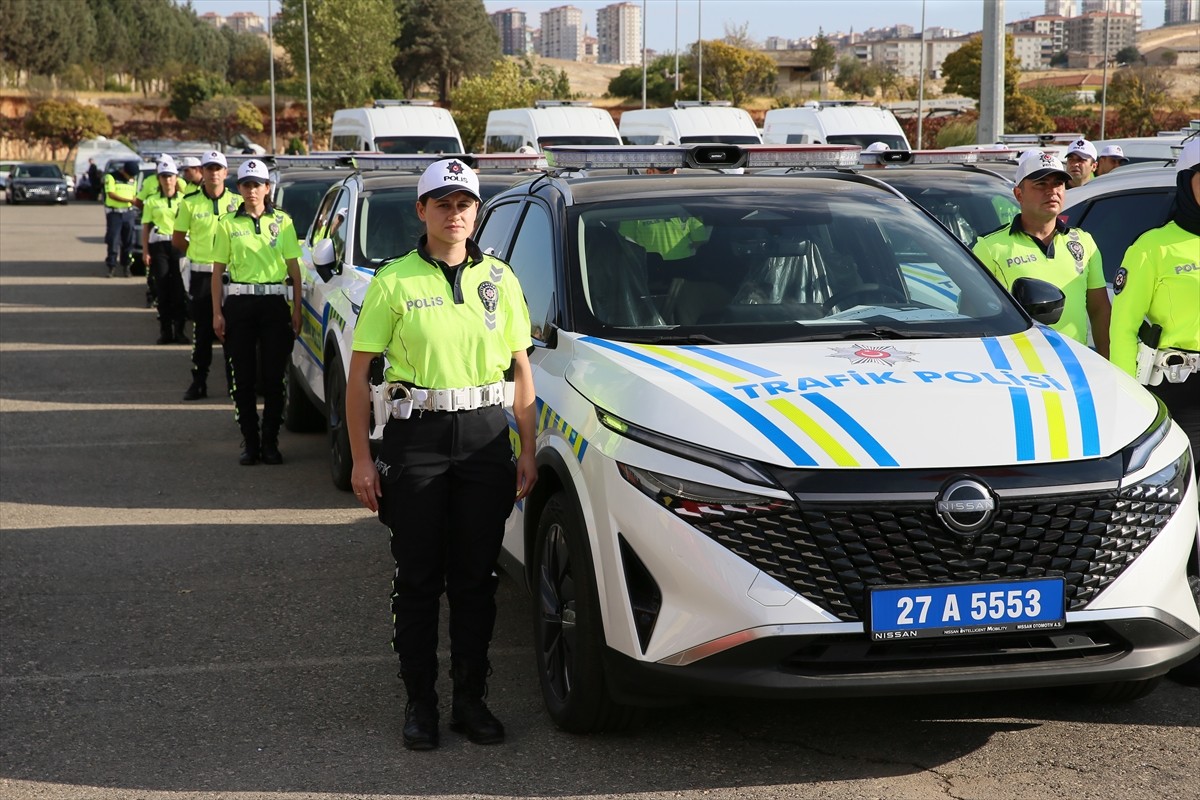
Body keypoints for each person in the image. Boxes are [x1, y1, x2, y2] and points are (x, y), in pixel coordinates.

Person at [345, 157, 537, 751]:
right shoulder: (393, 280)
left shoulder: (501, 280)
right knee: (420, 579)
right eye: (444, 204)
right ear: (422, 210)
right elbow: (358, 379)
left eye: (465, 205)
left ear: (477, 212)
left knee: (476, 580)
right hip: (417, 440)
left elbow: (521, 369)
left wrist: (527, 449)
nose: (456, 215)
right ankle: (420, 703)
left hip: (484, 440)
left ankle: (471, 701)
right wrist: (359, 458)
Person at [1109, 137, 1200, 453]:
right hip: (1178, 391)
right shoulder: (1152, 247)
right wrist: (1128, 397)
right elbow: (1123, 329)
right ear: (1187, 183)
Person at [973, 149, 1111, 356]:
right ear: (1019, 194)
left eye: (1058, 184)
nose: (1052, 191)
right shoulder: (989, 247)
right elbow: (974, 314)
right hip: (1018, 365)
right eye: (1041, 184)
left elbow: (1099, 310)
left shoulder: (1084, 242)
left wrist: (1107, 362)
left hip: (1075, 365)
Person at [211, 159, 302, 466]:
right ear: (239, 188)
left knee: (275, 377)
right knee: (243, 378)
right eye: (246, 185)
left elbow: (294, 270)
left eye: (257, 185)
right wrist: (217, 313)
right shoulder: (227, 223)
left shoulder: (284, 222)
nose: (252, 191)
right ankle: (250, 442)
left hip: (275, 304)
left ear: (267, 188)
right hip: (239, 304)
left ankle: (271, 442)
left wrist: (297, 309)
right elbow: (217, 271)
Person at [173, 150, 244, 401]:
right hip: (202, 275)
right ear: (201, 172)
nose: (213, 173)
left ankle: (234, 383)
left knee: (233, 332)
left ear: (226, 173)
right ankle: (198, 381)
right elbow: (178, 239)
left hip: (232, 276)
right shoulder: (189, 202)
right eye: (209, 168)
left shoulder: (237, 202)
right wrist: (199, 253)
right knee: (202, 332)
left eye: (218, 169)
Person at [141, 158, 189, 346]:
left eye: (170, 176)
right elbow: (145, 227)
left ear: (176, 178)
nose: (167, 180)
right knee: (162, 289)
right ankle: (165, 331)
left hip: (178, 246)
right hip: (159, 246)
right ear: (158, 178)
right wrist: (145, 251)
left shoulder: (184, 200)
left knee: (179, 290)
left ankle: (180, 331)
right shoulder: (152, 200)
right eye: (164, 176)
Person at [103, 160, 139, 278]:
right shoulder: (111, 177)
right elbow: (111, 194)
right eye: (130, 175)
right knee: (113, 240)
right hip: (115, 214)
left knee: (128, 242)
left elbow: (134, 195)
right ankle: (111, 267)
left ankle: (126, 267)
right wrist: (129, 201)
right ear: (124, 171)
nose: (132, 177)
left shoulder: (133, 180)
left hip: (128, 214)